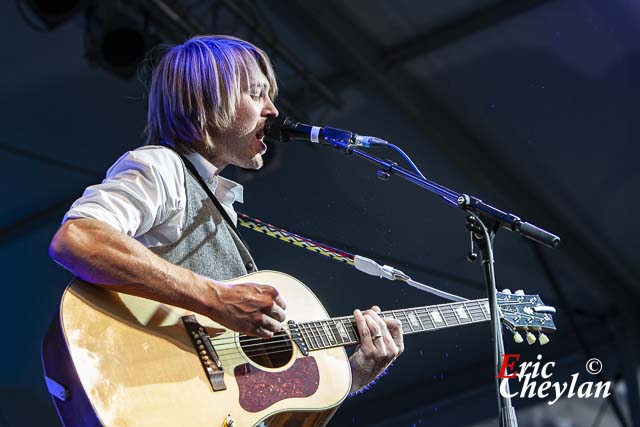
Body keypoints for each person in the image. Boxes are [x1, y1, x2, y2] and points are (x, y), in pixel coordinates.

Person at [48, 34, 403, 397]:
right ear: (206, 100)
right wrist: (215, 297)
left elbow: (258, 405)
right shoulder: (162, 167)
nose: (273, 111)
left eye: (270, 96)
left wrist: (352, 377)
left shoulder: (218, 203)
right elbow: (77, 239)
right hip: (135, 382)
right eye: (255, 93)